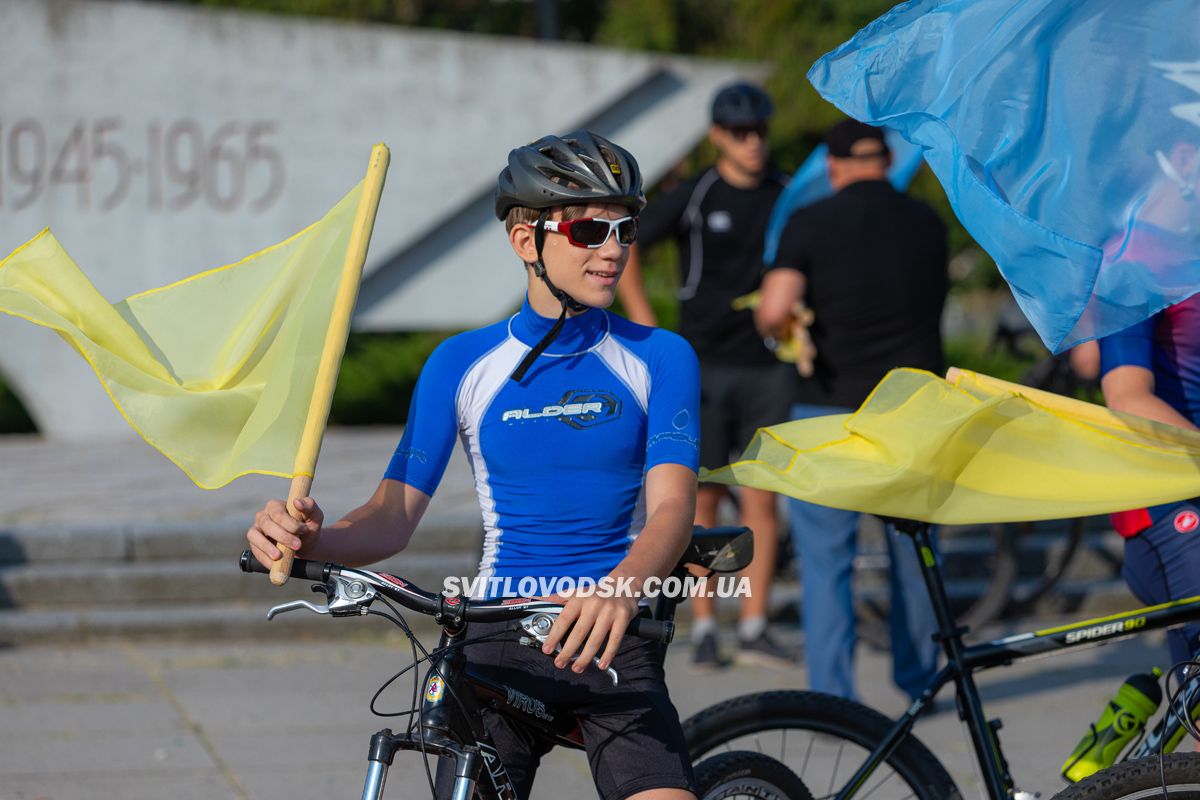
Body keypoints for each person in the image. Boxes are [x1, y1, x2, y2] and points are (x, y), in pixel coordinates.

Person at [246, 131, 701, 800]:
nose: (613, 249)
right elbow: (393, 514)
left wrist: (620, 588)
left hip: (610, 634)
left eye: (624, 228)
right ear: (525, 242)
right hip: (493, 637)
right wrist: (313, 539)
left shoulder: (661, 356)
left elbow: (673, 511)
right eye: (588, 229)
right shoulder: (459, 364)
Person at [755, 118, 948, 702]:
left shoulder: (809, 221)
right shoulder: (928, 224)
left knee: (825, 562)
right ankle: (919, 685)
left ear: (834, 167)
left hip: (827, 409)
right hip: (913, 408)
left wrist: (787, 326)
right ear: (887, 162)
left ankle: (834, 701)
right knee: (915, 556)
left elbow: (773, 310)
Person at [617, 82, 797, 670]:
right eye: (740, 133)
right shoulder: (698, 193)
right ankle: (703, 627)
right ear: (718, 135)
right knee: (705, 499)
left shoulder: (786, 192)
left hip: (769, 365)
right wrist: (645, 321)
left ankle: (754, 624)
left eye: (759, 131)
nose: (752, 143)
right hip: (705, 365)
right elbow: (629, 240)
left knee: (763, 500)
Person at [1099, 131, 1200, 678]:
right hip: (1171, 502)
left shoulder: (1190, 254)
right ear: (1183, 157)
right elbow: (1125, 395)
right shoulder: (1132, 258)